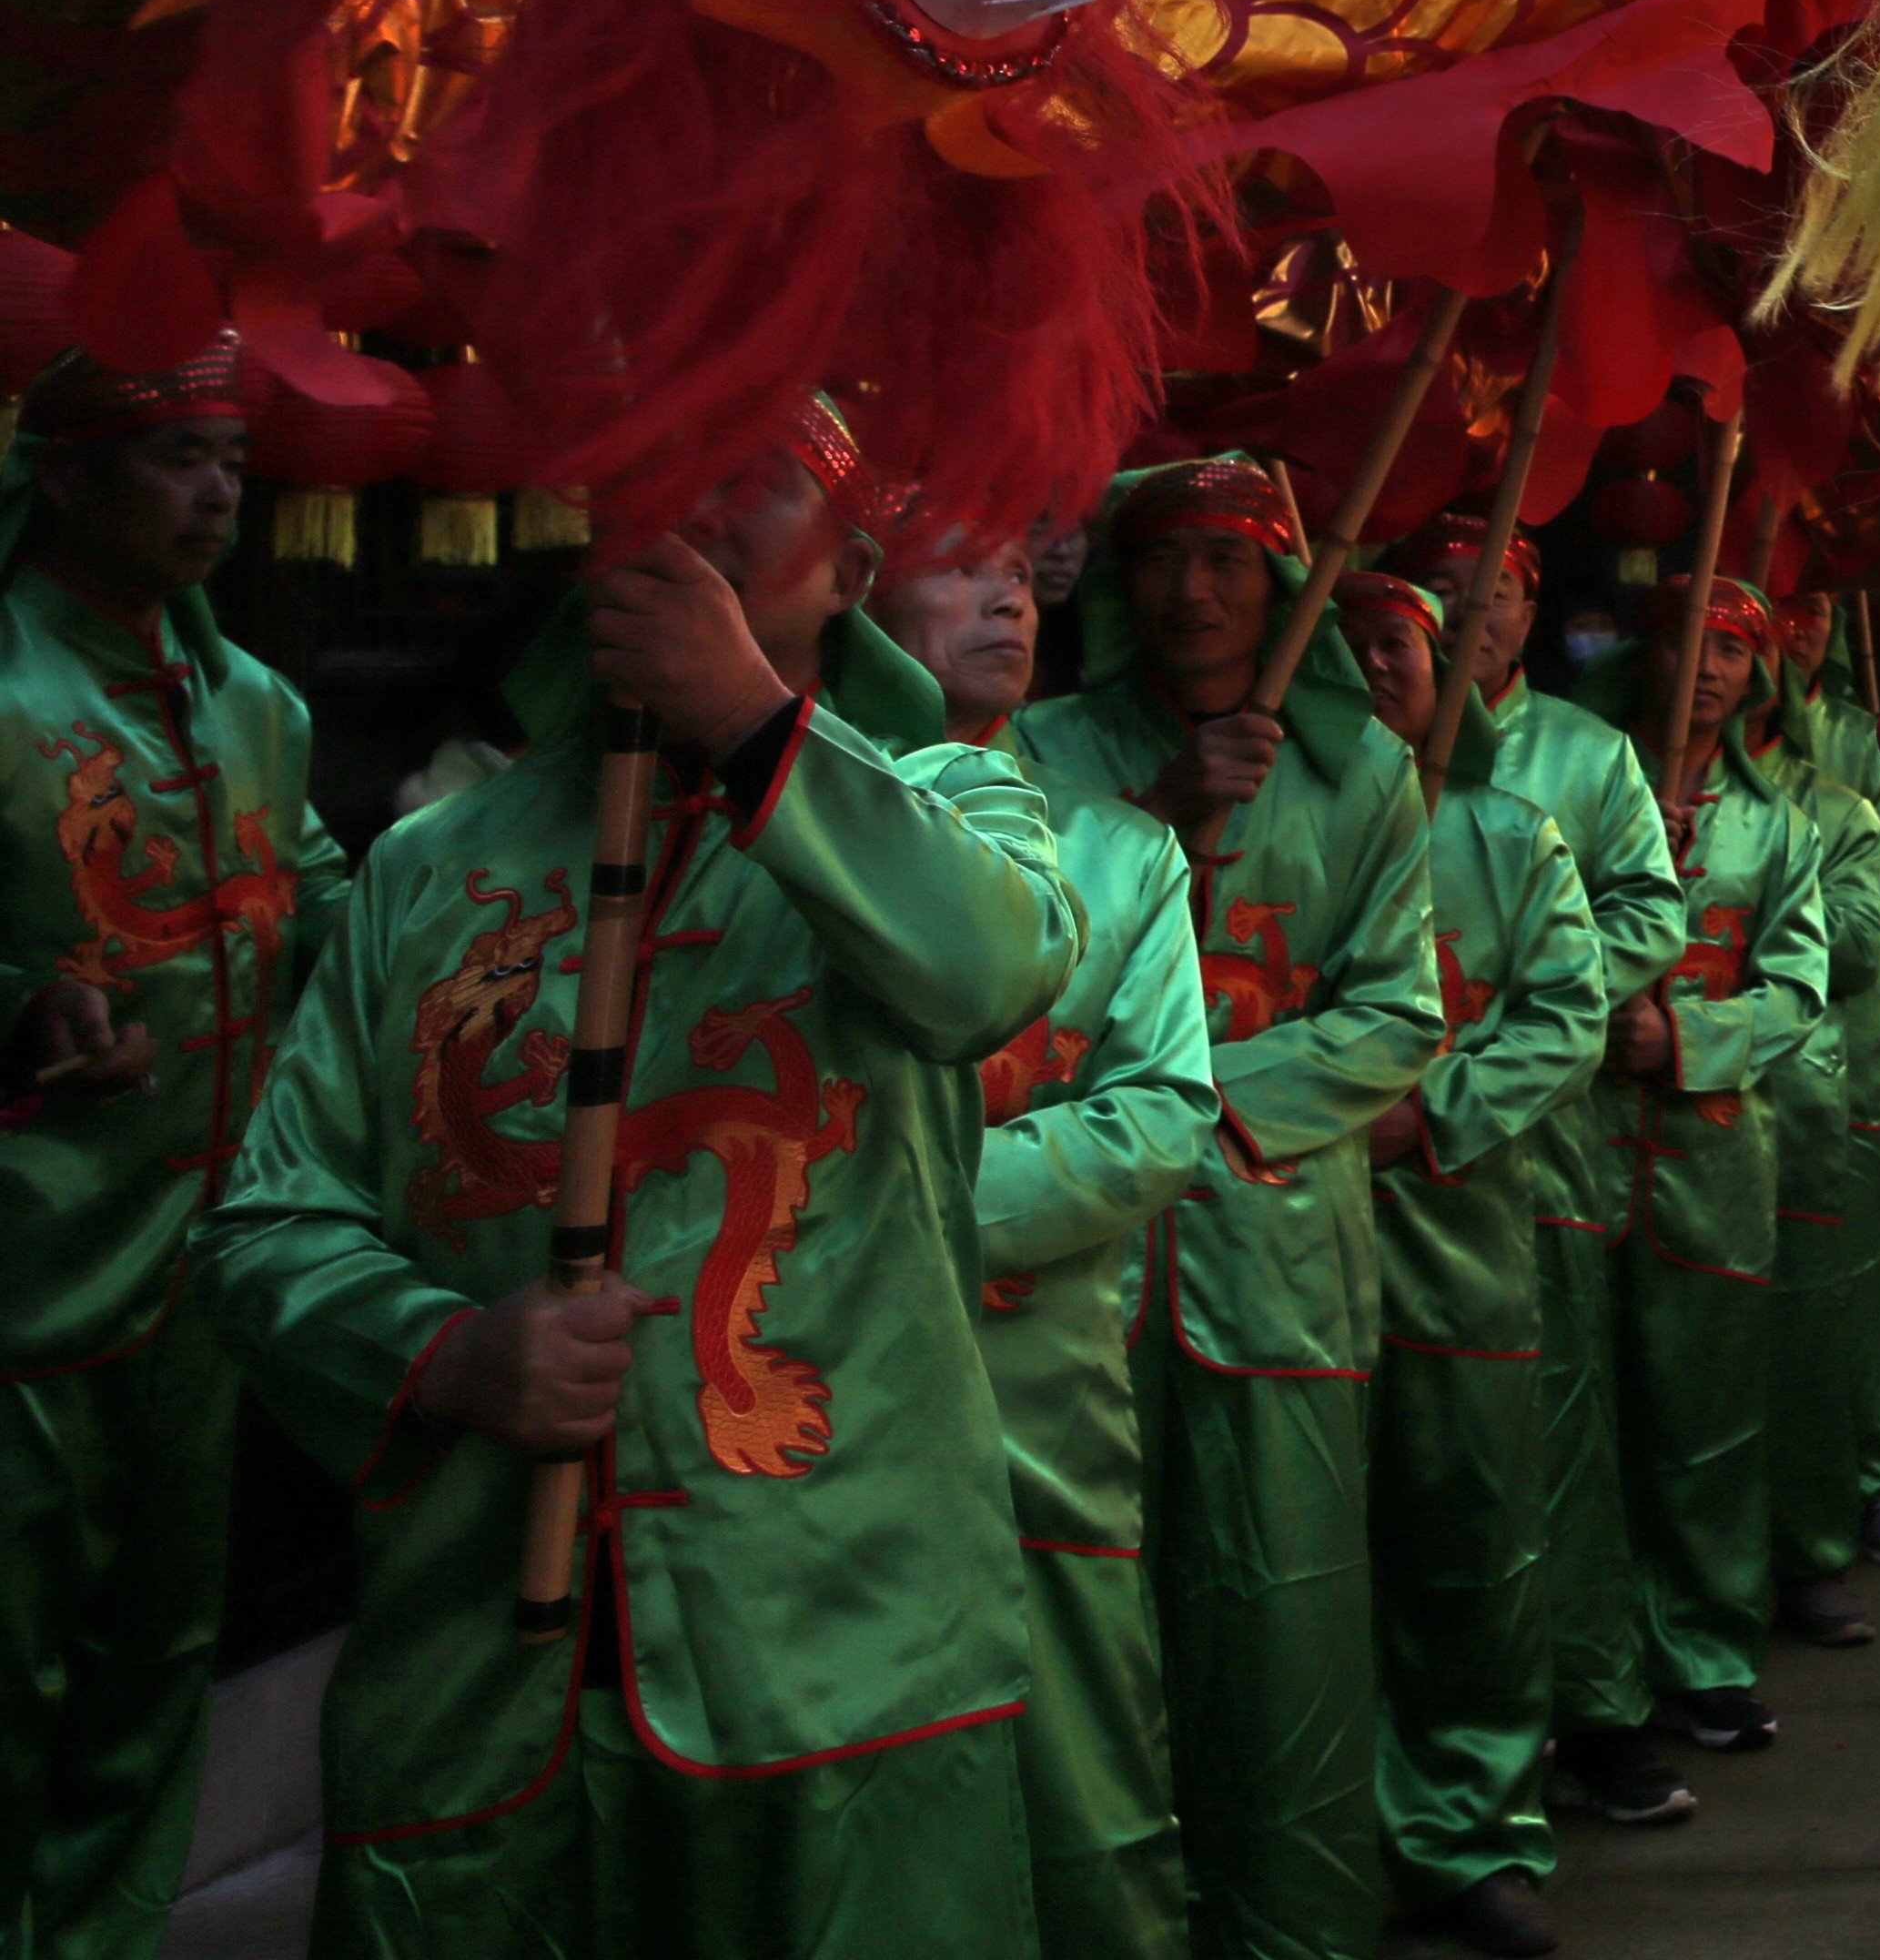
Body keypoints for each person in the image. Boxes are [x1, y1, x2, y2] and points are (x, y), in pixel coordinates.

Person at [199, 402, 1078, 1955]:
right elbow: (269, 1220)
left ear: (854, 568)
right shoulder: (430, 866)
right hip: (477, 1662)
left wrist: (748, 720)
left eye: (755, 485)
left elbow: (985, 970)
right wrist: (447, 1351)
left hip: (839, 1658)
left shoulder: (959, 809)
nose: (689, 513)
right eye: (656, 479)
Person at [1010, 460, 1440, 1960]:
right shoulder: (1041, 754)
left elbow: (1401, 1016)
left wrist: (1195, 1095)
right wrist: (1154, 813)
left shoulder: (1368, 774)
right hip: (1081, 1268)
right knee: (1092, 1624)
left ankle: (1299, 1927)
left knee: (1287, 1623)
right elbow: (1004, 964)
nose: (1192, 591)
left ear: (1279, 588)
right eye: (1162, 561)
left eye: (1229, 562)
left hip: (1277, 1258)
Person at [0, 345, 335, 1960]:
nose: (217, 493)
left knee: (155, 1652)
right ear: (59, 475)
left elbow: (335, 908)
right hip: (31, 1271)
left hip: (207, 1266)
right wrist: (26, 1010)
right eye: (174, 458)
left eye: (232, 459)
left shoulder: (255, 705)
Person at [883, 531, 1218, 1960]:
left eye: (1020, 569)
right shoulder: (771, 836)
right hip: (834, 1407)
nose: (1007, 599)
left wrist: (882, 1212)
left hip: (1045, 1388)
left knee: (1085, 1757)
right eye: (958, 567)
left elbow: (1157, 1116)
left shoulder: (1121, 850)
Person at [1391, 508, 1700, 1833]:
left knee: (1553, 1451)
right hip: (1354, 1168)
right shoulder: (1355, 763)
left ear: (1529, 608)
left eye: (1497, 591)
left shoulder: (1583, 757)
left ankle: (1592, 1704)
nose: (1474, 614)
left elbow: (1648, 911)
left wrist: (1554, 976)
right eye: (1443, 591)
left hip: (1541, 1140)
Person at [1324, 572, 1607, 1959]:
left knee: (1472, 1549)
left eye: (1403, 645)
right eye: (1355, 645)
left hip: (1461, 1241)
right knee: (1309, 1558)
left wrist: (1428, 1112)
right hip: (1284, 1253)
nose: (1380, 667)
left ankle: (1473, 1833)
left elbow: (1568, 1013)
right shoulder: (1262, 822)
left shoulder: (1512, 831)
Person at [1578, 576, 1833, 1760]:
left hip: (1711, 1148)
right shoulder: (1572, 787)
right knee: (1579, 1418)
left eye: (1737, 649)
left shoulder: (1776, 822)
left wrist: (1683, 1039)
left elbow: (1798, 988)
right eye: (1694, 644)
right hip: (1568, 1146)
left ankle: (1709, 1654)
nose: (1713, 668)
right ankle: (1591, 1672)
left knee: (1707, 1413)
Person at [1765, 604, 1880, 1656]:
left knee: (1838, 1296)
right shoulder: (1630, 762)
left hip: (1831, 1069)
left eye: (1800, 611)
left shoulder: (1863, 757)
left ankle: (1856, 1489)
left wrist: (1752, 965)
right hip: (1663, 1108)